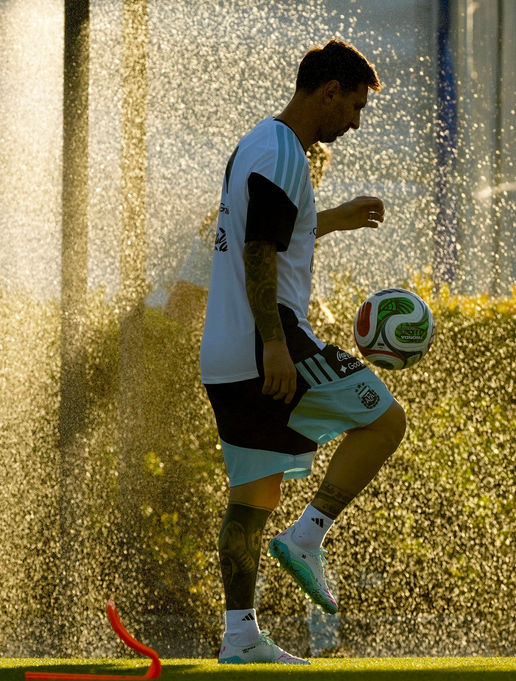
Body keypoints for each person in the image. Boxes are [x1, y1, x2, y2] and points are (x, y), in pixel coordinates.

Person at [171, 40, 405, 665]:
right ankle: (308, 537)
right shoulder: (281, 154)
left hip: (224, 354)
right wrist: (276, 345)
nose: (355, 122)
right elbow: (258, 254)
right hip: (266, 343)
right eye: (354, 106)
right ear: (328, 91)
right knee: (385, 419)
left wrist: (333, 218)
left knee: (252, 499)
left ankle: (240, 635)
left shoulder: (261, 144)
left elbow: (272, 231)